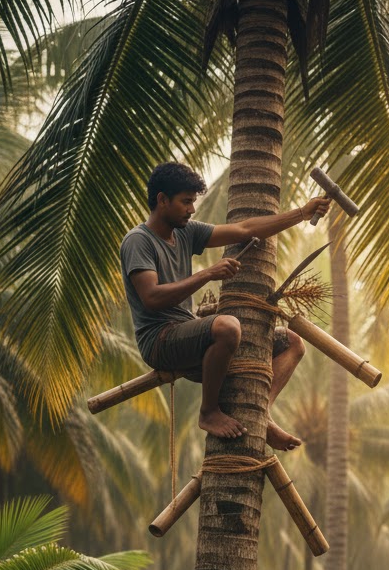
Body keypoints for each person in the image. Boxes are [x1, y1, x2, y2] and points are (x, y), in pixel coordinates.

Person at [120, 162, 331, 449]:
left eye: (193, 202)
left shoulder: (185, 232)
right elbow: (152, 298)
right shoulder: (138, 241)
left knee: (292, 343)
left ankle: (262, 414)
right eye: (185, 202)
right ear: (161, 200)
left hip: (192, 338)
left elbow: (244, 229)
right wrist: (207, 273)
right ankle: (208, 413)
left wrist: (301, 214)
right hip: (161, 340)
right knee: (228, 326)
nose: (192, 209)